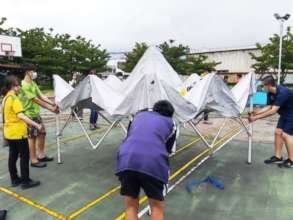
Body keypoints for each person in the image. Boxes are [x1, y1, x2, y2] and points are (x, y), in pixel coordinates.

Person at [116, 100, 177, 220]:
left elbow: (130, 136)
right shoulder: (172, 123)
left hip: (126, 159)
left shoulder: (137, 116)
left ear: (154, 109)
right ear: (170, 114)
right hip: (153, 162)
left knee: (130, 207)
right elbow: (167, 151)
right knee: (156, 208)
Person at [2, 75, 41, 189]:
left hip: (9, 133)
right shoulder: (14, 99)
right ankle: (26, 181)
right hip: (18, 133)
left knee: (12, 156)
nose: (19, 87)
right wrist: (36, 125)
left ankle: (14, 179)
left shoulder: (5, 98)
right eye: (17, 85)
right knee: (24, 156)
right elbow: (21, 115)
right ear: (13, 87)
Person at [19, 64, 58, 168]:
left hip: (36, 114)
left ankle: (41, 155)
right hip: (28, 115)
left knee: (42, 133)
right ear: (28, 72)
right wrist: (51, 108)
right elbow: (35, 100)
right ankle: (34, 160)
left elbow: (41, 95)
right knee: (32, 137)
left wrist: (52, 103)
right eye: (33, 71)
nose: (34, 73)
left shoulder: (32, 83)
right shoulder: (24, 85)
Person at [249, 75, 293, 168]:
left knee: (286, 135)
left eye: (262, 86)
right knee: (278, 132)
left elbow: (273, 111)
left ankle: (291, 160)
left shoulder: (282, 92)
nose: (261, 88)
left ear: (268, 85)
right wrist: (256, 113)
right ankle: (278, 157)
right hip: (285, 113)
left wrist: (256, 118)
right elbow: (269, 106)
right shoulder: (270, 93)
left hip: (292, 113)